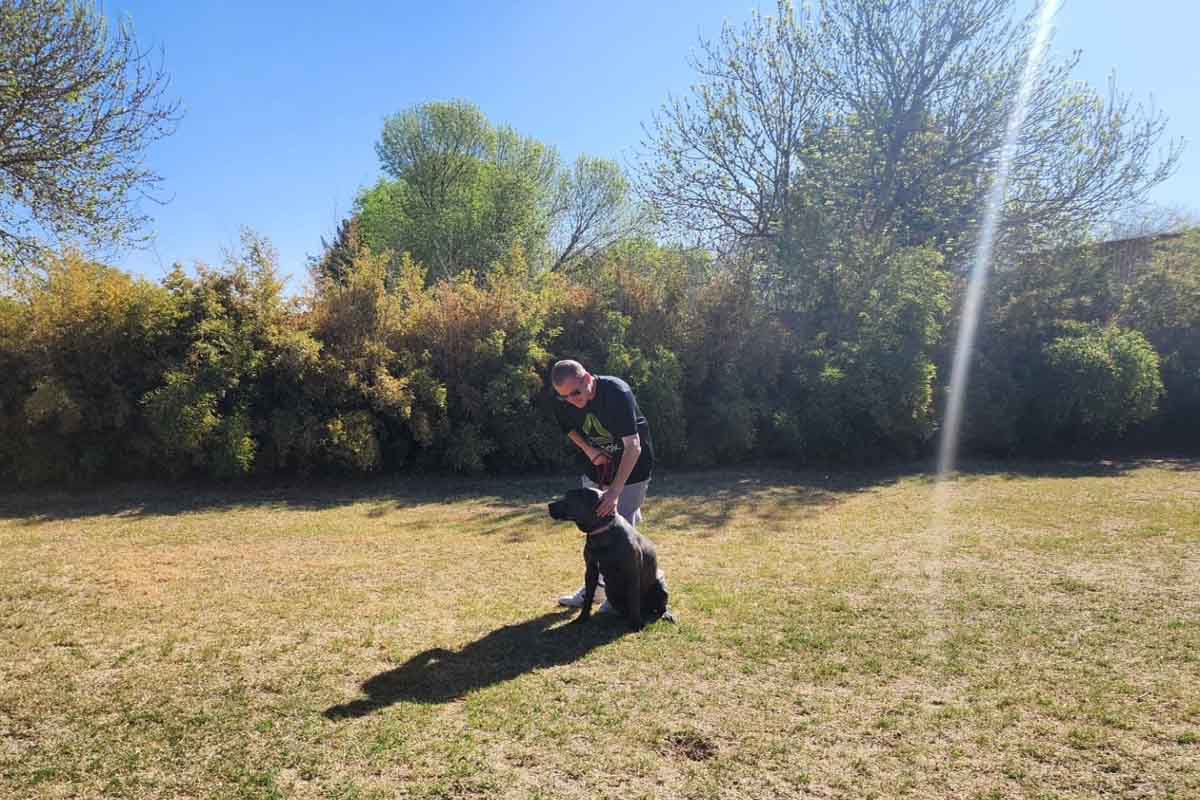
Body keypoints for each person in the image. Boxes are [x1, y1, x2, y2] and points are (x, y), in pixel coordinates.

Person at [549, 359, 655, 609]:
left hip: (632, 467)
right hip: (597, 467)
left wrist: (615, 491)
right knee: (594, 528)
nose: (572, 400)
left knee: (622, 530)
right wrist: (590, 451)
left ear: (587, 378)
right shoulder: (563, 398)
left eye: (576, 393)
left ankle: (619, 593)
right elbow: (568, 428)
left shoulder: (616, 392)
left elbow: (633, 446)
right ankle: (595, 589)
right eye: (565, 396)